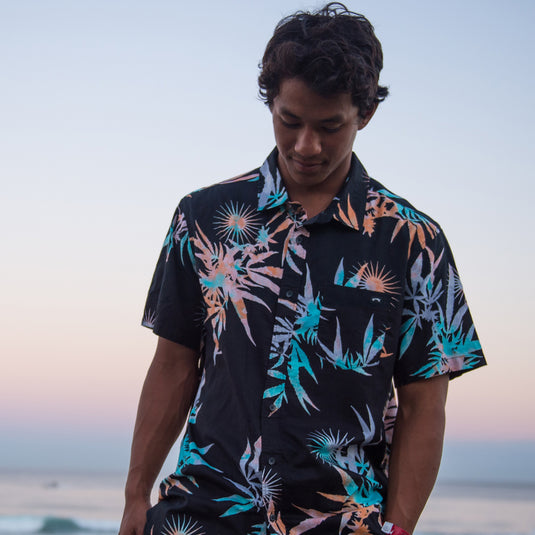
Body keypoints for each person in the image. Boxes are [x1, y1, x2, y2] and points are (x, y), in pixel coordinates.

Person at [119, 4, 486, 535]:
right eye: (289, 121)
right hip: (201, 516)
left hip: (342, 522)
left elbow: (424, 407)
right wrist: (135, 496)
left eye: (329, 126)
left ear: (365, 114)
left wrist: (399, 528)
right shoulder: (201, 218)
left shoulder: (414, 241)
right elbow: (173, 365)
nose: (305, 145)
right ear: (270, 103)